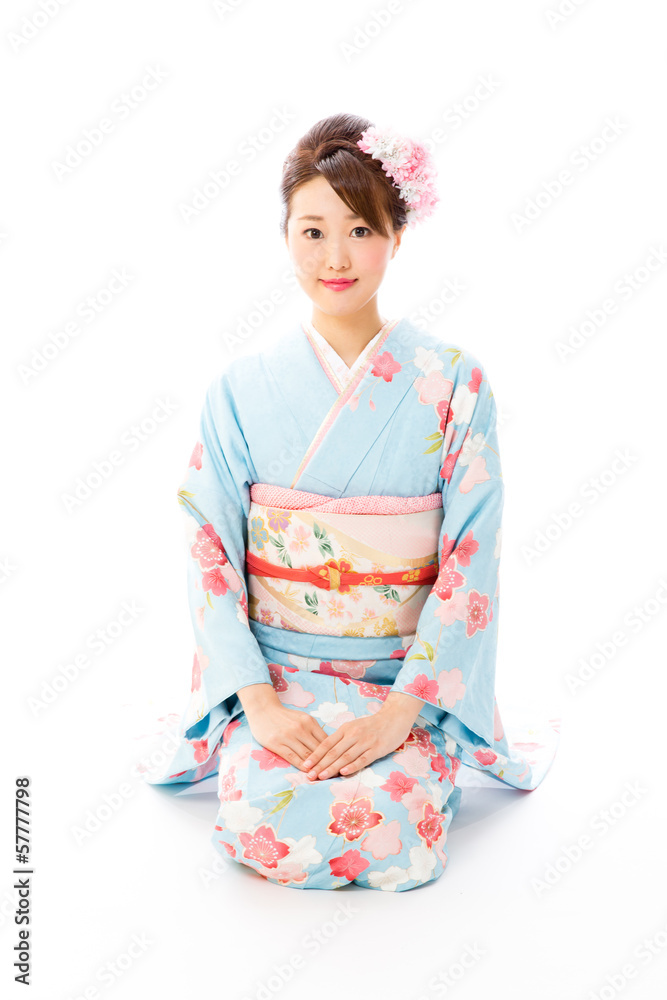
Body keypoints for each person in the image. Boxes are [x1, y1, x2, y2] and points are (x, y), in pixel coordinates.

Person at [140, 112, 559, 891]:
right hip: (277, 675)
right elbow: (210, 550)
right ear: (286, 238)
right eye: (312, 232)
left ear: (397, 235)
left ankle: (408, 745)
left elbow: (471, 558)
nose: (336, 258)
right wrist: (259, 705)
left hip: (404, 680)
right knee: (268, 817)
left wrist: (400, 713)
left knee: (394, 830)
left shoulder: (454, 382)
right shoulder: (239, 390)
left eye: (360, 229)